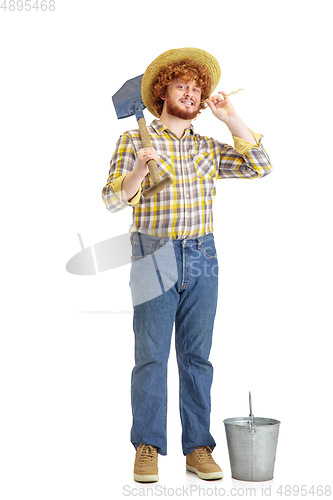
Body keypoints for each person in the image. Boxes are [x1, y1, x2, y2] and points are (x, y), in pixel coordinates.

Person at [102, 47, 272, 483]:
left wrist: (231, 118)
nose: (192, 93)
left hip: (203, 255)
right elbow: (112, 200)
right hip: (152, 253)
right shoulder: (134, 142)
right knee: (151, 357)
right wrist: (140, 169)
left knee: (197, 357)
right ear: (162, 93)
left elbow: (260, 166)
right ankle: (147, 447)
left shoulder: (208, 147)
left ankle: (198, 447)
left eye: (198, 88)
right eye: (182, 86)